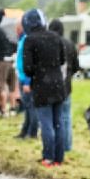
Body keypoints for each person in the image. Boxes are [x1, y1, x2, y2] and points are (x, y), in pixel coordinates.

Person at [22, 9, 66, 167]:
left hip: (41, 86)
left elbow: (27, 68)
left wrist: (38, 69)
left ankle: (48, 157)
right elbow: (62, 60)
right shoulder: (55, 36)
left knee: (46, 123)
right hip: (58, 85)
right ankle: (58, 159)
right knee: (58, 122)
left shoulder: (29, 40)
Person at [49, 18, 79, 152]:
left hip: (52, 87)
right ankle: (68, 146)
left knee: (54, 118)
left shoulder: (51, 43)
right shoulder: (70, 44)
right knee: (66, 117)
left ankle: (56, 146)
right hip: (67, 86)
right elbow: (76, 67)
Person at [14, 22, 38, 140]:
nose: (16, 30)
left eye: (17, 28)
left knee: (31, 106)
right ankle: (25, 130)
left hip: (26, 78)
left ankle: (31, 132)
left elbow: (29, 62)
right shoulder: (22, 40)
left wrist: (27, 81)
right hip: (22, 76)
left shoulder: (26, 40)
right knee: (27, 106)